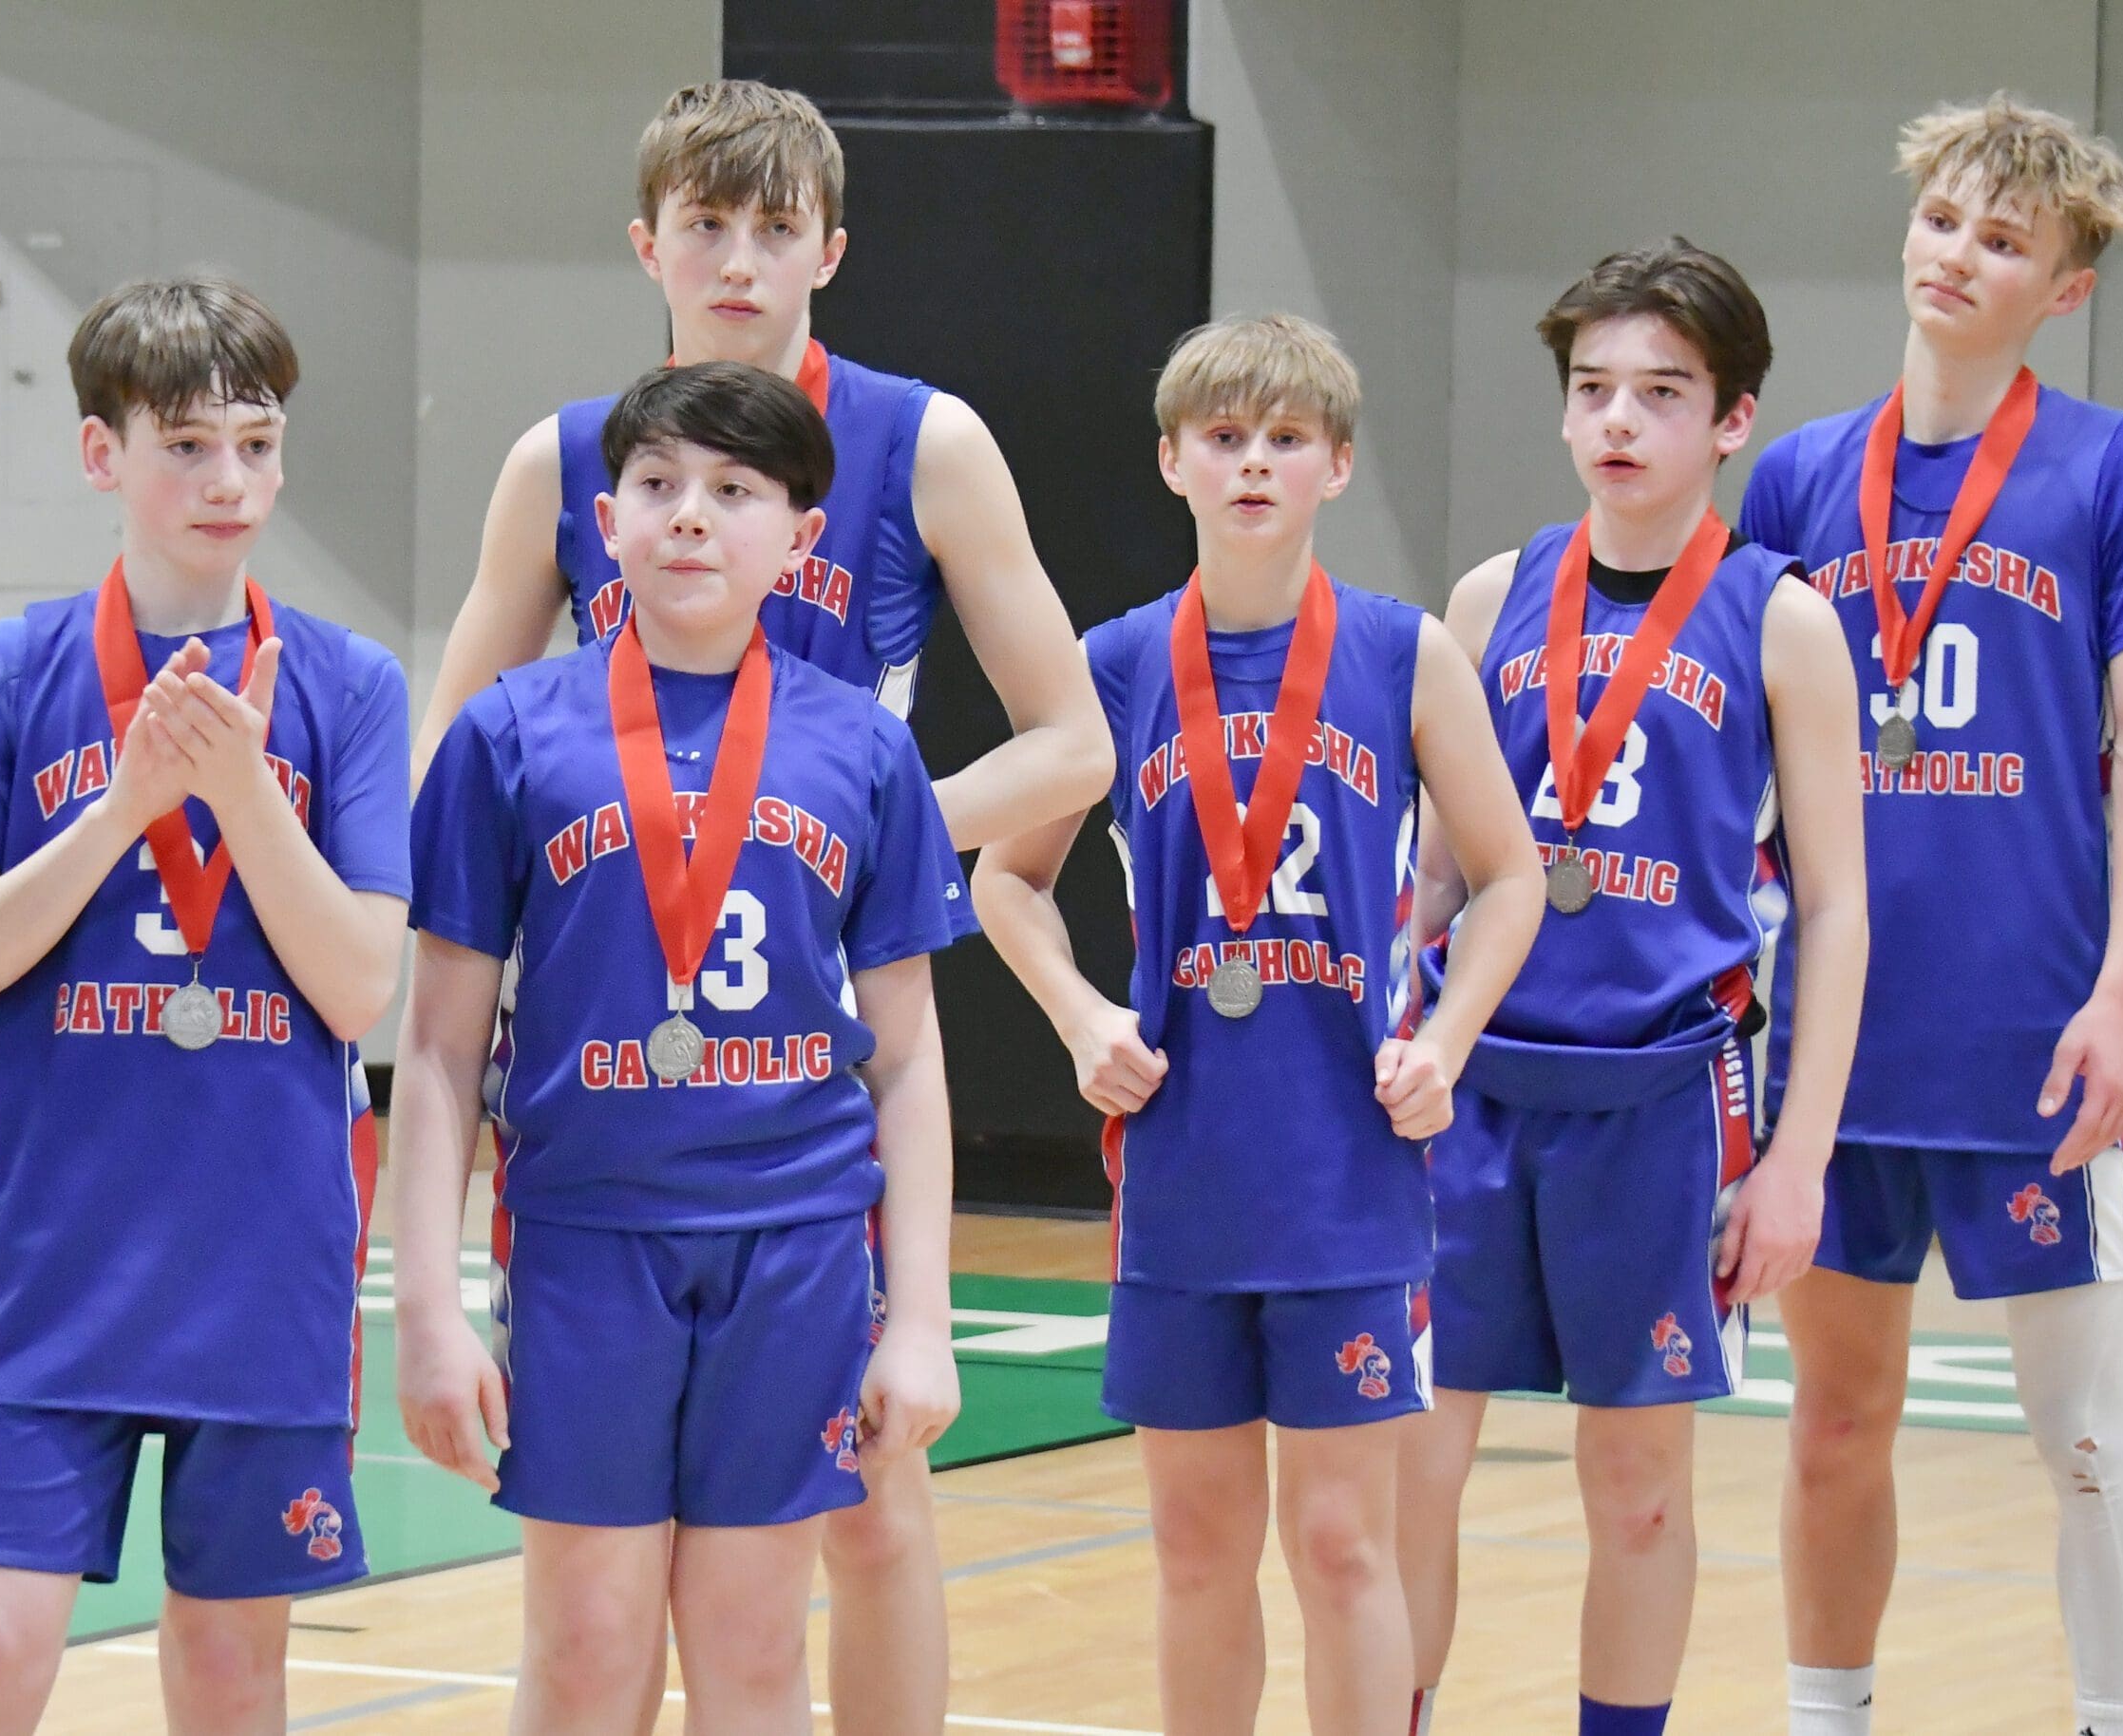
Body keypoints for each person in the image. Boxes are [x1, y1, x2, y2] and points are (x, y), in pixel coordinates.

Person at [408, 84, 1108, 1728]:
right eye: (706, 226)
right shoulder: (567, 458)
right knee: (591, 1614)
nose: (737, 260)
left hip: (811, 1039)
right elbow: (453, 751)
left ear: (828, 252)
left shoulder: (924, 441)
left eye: (773, 228)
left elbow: (1075, 739)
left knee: (872, 1508)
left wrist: (837, 852)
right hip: (609, 1046)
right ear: (646, 243)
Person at [976, 312, 1545, 1736]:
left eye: (1286, 440)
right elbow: (1006, 879)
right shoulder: (1114, 666)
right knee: (1195, 1547)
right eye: (1223, 438)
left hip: (1350, 1166)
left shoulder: (1406, 655)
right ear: (1172, 460)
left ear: (1336, 465)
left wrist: (1447, 1041)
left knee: (1343, 1543)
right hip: (1180, 1166)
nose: (1252, 465)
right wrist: (1080, 1017)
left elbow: (1513, 875)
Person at [396, 361, 966, 1735]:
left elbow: (906, 1060)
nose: (692, 515)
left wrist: (923, 1322)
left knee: (753, 1645)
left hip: (797, 1245)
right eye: (657, 484)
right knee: (588, 1643)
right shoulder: (506, 735)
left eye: (735, 490)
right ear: (606, 523)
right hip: (585, 1240)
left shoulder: (865, 752)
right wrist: (425, 1310)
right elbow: (437, 1049)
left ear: (802, 538)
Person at [1738, 95, 2123, 1736]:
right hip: (1837, 1051)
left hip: (2032, 1037)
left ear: (2064, 290)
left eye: (2003, 241)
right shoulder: (1801, 478)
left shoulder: (2114, 468)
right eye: (1943, 219)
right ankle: (1829, 1719)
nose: (1957, 255)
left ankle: (2118, 1724)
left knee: (2083, 1433)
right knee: (1832, 1425)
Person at [0, 276, 411, 1735]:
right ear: (100, 453)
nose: (228, 480)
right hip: (47, 1254)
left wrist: (243, 794)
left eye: (257, 443)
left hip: (266, 1258)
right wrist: (122, 809)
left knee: (234, 1674)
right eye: (186, 445)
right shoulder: (2, 675)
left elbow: (360, 982)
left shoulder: (351, 687)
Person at [1398, 239, 1867, 1736]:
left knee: (1640, 1486)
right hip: (1472, 1094)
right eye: (1594, 388)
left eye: (1663, 392)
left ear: (1732, 419)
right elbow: (1435, 881)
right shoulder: (1489, 598)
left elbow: (1838, 910)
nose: (1620, 419)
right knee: (1411, 1460)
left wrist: (1797, 1160)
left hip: (1661, 1102)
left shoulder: (1784, 619)